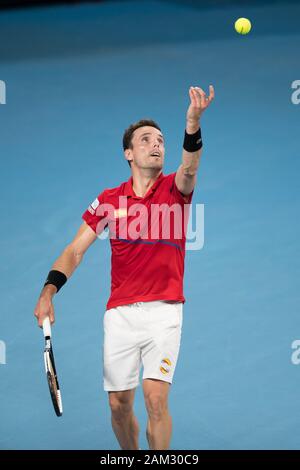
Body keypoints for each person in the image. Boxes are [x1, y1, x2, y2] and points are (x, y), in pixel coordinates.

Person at [34, 85, 214, 450]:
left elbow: (190, 165)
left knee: (155, 399)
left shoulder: (175, 190)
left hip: (165, 311)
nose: (156, 144)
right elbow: (75, 250)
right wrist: (48, 291)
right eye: (146, 139)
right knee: (118, 406)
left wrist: (192, 123)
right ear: (128, 153)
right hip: (120, 315)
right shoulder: (109, 201)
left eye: (161, 140)